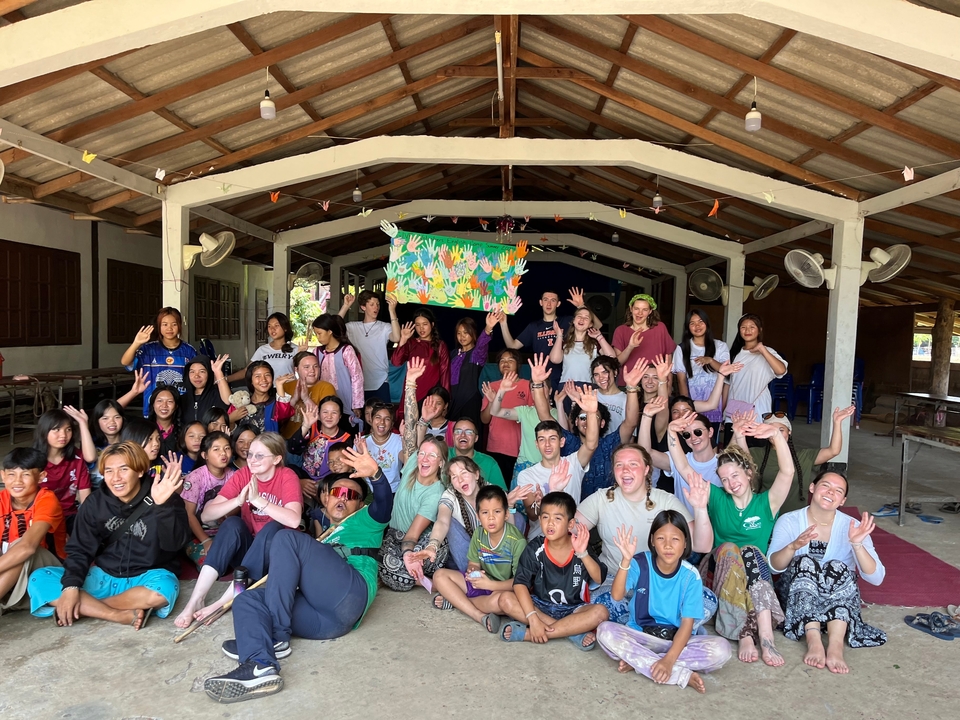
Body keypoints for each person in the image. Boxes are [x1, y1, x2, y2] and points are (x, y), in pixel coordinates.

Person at [203, 443, 393, 703]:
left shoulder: (368, 521)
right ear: (326, 497)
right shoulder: (322, 528)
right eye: (338, 492)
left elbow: (384, 502)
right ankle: (259, 662)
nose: (343, 498)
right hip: (325, 624)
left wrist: (376, 475)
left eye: (352, 496)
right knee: (247, 599)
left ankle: (277, 635)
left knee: (286, 537)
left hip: (350, 596)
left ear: (360, 504)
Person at [28, 442, 190, 628]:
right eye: (109, 471)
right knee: (39, 578)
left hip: (146, 577)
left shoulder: (164, 495)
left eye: (123, 469)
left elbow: (174, 545)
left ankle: (83, 608)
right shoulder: (95, 503)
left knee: (163, 591)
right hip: (102, 577)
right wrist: (71, 587)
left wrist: (163, 506)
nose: (116, 478)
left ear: (139, 471)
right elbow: (79, 549)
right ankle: (115, 614)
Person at [685, 420, 795, 667]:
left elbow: (787, 472)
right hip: (718, 572)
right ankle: (745, 633)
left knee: (752, 552)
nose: (730, 482)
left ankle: (765, 637)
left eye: (735, 475)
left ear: (748, 473)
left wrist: (777, 436)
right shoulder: (716, 496)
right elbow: (684, 468)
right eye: (724, 479)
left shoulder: (767, 503)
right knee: (732, 549)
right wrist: (673, 433)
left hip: (754, 575)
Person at [173, 433, 303, 628]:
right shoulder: (243, 475)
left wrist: (259, 500)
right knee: (232, 524)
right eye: (250, 454)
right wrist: (237, 501)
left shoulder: (287, 476)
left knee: (273, 528)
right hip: (248, 556)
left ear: (276, 459)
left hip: (275, 558)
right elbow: (207, 515)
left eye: (260, 455)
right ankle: (196, 599)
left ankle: (225, 601)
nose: (252, 460)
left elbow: (293, 520)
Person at [575, 444, 713, 625]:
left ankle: (642, 627)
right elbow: (569, 531)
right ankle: (659, 626)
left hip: (659, 583)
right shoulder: (601, 498)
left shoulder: (664, 500)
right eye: (619, 465)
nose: (625, 470)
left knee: (707, 601)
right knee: (602, 603)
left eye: (633, 464)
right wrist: (559, 491)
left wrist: (700, 508)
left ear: (646, 469)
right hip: (615, 579)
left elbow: (702, 545)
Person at [596, 514, 732, 693]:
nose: (668, 545)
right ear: (652, 540)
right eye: (661, 538)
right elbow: (616, 594)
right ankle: (680, 674)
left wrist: (668, 660)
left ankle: (640, 662)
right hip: (642, 637)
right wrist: (626, 561)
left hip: (677, 641)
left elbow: (687, 624)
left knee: (722, 650)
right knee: (605, 632)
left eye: (675, 539)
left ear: (685, 543)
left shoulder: (691, 576)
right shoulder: (640, 563)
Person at [769, 471, 886, 674]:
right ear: (812, 488)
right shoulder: (789, 520)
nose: (830, 492)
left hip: (837, 599)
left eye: (838, 491)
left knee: (837, 567)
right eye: (825, 486)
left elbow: (876, 578)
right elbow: (774, 566)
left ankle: (835, 645)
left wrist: (857, 544)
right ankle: (813, 639)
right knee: (805, 561)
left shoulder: (853, 527)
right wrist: (793, 546)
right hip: (799, 597)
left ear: (843, 500)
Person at [497, 492, 609, 649]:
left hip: (573, 608)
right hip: (540, 606)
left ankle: (530, 634)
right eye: (545, 517)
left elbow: (598, 578)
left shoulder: (580, 545)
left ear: (570, 524)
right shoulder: (535, 547)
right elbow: (520, 583)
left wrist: (583, 554)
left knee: (601, 612)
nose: (550, 523)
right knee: (505, 599)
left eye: (557, 518)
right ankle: (571, 632)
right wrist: (533, 617)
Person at [379, 359, 449, 592]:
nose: (424, 459)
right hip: (395, 534)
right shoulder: (411, 464)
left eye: (432, 456)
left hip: (418, 537)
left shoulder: (436, 490)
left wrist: (409, 553)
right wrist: (410, 384)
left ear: (441, 463)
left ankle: (419, 569)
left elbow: (412, 535)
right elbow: (410, 427)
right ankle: (414, 571)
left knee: (406, 573)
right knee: (397, 578)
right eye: (422, 454)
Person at [530, 354, 643, 500]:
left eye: (592, 416)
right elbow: (544, 415)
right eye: (582, 417)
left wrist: (632, 388)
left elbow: (631, 422)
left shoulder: (611, 443)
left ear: (602, 423)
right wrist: (538, 384)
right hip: (574, 512)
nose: (587, 421)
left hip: (606, 510)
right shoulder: (568, 441)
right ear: (575, 422)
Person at [431, 485, 528, 634]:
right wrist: (473, 573)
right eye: (485, 512)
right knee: (439, 576)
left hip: (499, 589)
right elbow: (473, 563)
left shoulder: (517, 542)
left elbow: (519, 583)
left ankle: (456, 601)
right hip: (481, 583)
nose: (491, 517)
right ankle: (480, 616)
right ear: (478, 516)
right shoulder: (479, 533)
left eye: (497, 511)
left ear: (506, 514)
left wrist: (490, 585)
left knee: (502, 602)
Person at [516, 383, 601, 529]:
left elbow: (591, 444)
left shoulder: (573, 462)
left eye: (552, 439)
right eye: (542, 440)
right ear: (537, 444)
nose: (547, 444)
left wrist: (592, 413)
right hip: (540, 539)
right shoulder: (526, 475)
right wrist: (540, 503)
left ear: (562, 442)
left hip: (571, 536)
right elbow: (532, 515)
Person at [748, 406, 857, 514]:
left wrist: (837, 422)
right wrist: (739, 433)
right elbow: (733, 457)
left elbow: (834, 450)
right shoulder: (756, 454)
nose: (776, 434)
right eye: (771, 430)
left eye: (781, 430)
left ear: (789, 431)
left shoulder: (804, 456)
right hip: (765, 515)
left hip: (795, 517)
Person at [0, 448, 67, 617]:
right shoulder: (2, 499)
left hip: (47, 569)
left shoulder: (47, 500)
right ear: (2, 476)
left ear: (42, 476)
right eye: (11, 475)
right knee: (16, 551)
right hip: (9, 570)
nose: (17, 481)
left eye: (26, 474)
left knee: (22, 548)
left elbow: (28, 547)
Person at [498, 288, 597, 383]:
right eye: (545, 300)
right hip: (542, 377)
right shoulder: (534, 327)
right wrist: (503, 324)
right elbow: (512, 346)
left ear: (558, 304)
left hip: (566, 377)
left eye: (553, 300)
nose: (549, 303)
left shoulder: (567, 321)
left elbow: (596, 326)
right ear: (541, 302)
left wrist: (581, 306)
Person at [121, 307, 197, 416]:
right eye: (164, 324)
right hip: (152, 409)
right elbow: (125, 362)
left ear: (180, 325)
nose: (169, 328)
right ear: (159, 326)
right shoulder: (148, 350)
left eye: (174, 324)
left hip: (182, 409)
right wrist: (136, 343)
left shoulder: (189, 351)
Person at [724, 314, 787, 441]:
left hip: (757, 413)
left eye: (752, 327)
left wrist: (762, 350)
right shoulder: (734, 353)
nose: (747, 330)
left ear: (760, 330)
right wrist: (723, 412)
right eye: (743, 327)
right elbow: (727, 384)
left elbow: (781, 370)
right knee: (732, 454)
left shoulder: (768, 352)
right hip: (733, 413)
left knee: (755, 453)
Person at [181, 431, 236, 569]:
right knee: (210, 564)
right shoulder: (195, 478)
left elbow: (238, 506)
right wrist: (205, 540)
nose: (223, 453)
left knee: (237, 559)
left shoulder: (233, 475)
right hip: (197, 534)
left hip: (223, 532)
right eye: (216, 449)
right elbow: (189, 514)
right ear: (204, 455)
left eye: (227, 448)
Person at [338, 291, 402, 402]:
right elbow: (334, 328)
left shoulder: (384, 327)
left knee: (383, 416)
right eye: (371, 304)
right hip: (357, 382)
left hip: (381, 381)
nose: (376, 307)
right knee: (360, 418)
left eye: (377, 304)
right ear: (363, 307)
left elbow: (396, 338)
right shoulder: (352, 327)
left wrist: (392, 311)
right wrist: (346, 306)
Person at [33, 409, 91, 531]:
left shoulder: (77, 458)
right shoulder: (33, 461)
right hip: (40, 518)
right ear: (44, 432)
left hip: (69, 516)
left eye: (68, 429)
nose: (63, 435)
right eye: (56, 429)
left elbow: (85, 497)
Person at [480, 348, 533, 482]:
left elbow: (533, 417)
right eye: (502, 360)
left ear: (518, 364)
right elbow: (484, 419)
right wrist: (492, 401)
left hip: (521, 450)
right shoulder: (491, 386)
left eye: (510, 360)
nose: (505, 363)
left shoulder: (527, 386)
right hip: (495, 446)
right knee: (497, 489)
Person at [287, 396, 353, 501]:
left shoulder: (346, 438)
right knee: (288, 469)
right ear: (319, 414)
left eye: (334, 413)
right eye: (325, 412)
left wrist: (322, 484)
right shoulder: (312, 427)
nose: (329, 416)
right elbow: (292, 449)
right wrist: (305, 426)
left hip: (327, 480)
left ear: (340, 416)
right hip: (303, 473)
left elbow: (345, 470)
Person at [673, 309, 730, 430]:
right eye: (692, 323)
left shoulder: (720, 346)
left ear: (707, 324)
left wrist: (710, 360)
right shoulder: (682, 348)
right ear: (688, 327)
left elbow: (725, 371)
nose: (697, 326)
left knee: (711, 441)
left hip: (715, 406)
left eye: (700, 321)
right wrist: (687, 407)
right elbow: (681, 380)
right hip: (694, 405)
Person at [391, 307, 450, 418]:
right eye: (417, 325)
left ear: (432, 325)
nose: (421, 328)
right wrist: (403, 339)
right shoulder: (411, 343)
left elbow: (445, 374)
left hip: (430, 396)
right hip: (411, 392)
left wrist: (445, 400)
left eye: (425, 324)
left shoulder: (440, 346)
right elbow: (396, 362)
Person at [449, 312, 500, 429]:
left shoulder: (477, 354)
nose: (462, 336)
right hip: (453, 402)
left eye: (466, 333)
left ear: (473, 334)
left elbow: (482, 344)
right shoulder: (452, 354)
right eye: (459, 333)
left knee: (470, 434)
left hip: (470, 402)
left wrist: (488, 328)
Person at [613, 294, 677, 386]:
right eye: (636, 308)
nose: (640, 313)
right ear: (631, 309)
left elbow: (668, 358)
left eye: (645, 310)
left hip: (656, 383)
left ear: (650, 311)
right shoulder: (620, 330)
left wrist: (669, 384)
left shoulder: (660, 328)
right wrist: (630, 347)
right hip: (628, 382)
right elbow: (618, 363)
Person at [312, 314, 364, 422]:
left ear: (330, 331)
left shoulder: (346, 350)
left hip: (346, 401)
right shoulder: (317, 352)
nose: (318, 337)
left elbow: (357, 377)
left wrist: (356, 404)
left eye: (319, 333)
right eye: (316, 334)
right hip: (322, 399)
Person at [549, 305, 616, 385]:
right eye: (579, 316)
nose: (582, 319)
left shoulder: (595, 343)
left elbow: (612, 357)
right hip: (567, 386)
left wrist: (599, 336)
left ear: (590, 324)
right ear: (573, 320)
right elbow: (555, 359)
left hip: (589, 386)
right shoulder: (565, 343)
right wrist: (559, 335)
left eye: (586, 318)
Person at [280, 351, 336, 440]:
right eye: (306, 367)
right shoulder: (286, 386)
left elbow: (326, 418)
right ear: (296, 369)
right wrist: (294, 400)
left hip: (316, 440)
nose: (312, 370)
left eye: (316, 366)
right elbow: (280, 419)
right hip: (288, 439)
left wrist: (306, 399)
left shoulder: (327, 387)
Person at [228, 361, 295, 434]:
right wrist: (230, 420)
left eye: (267, 375)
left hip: (269, 445)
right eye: (258, 376)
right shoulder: (241, 402)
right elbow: (227, 431)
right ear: (251, 380)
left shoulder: (275, 404)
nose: (263, 379)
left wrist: (279, 386)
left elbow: (284, 414)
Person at [227, 312, 298, 382]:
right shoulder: (262, 350)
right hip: (268, 390)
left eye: (276, 325)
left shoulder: (295, 349)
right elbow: (247, 370)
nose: (272, 329)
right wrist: (224, 379)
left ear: (285, 328)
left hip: (288, 390)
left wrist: (302, 353)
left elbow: (304, 371)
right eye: (269, 326)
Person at [447, 417, 507, 491]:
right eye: (458, 431)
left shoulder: (489, 462)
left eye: (469, 432)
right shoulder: (443, 454)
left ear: (476, 438)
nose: (462, 435)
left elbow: (501, 494)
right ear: (453, 436)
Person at [180, 354, 231, 426]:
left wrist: (218, 372)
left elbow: (228, 400)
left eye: (202, 371)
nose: (196, 376)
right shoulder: (182, 400)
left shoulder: (216, 395)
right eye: (192, 371)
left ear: (209, 373)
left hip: (211, 437)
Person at [364, 402, 404, 491]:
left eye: (387, 419)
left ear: (392, 423)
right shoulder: (361, 441)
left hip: (393, 490)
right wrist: (361, 452)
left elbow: (408, 461)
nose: (382, 422)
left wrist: (405, 438)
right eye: (378, 417)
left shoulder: (399, 440)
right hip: (369, 492)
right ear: (371, 419)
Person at [590, 356, 627, 436]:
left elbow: (631, 432)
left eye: (605, 372)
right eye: (596, 375)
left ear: (615, 372)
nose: (601, 378)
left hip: (617, 446)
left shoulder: (625, 399)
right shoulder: (590, 396)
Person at [147, 385, 182, 457]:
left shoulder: (184, 431)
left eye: (170, 401)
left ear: (176, 406)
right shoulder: (143, 429)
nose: (164, 405)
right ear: (153, 404)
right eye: (160, 401)